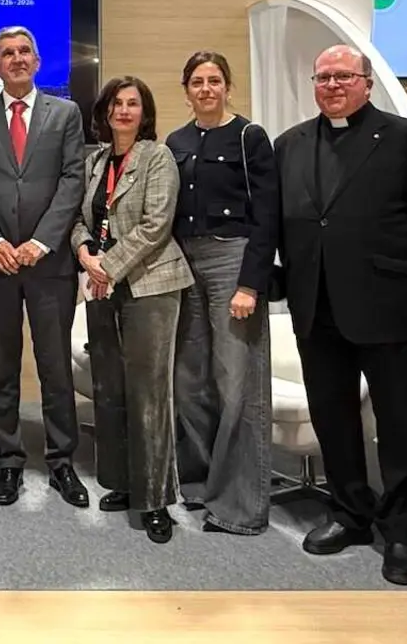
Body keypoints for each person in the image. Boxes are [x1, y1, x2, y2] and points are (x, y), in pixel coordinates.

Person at [273, 44, 407, 585]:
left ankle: (401, 529)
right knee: (333, 419)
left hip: (386, 305)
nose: (333, 85)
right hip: (316, 306)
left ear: (367, 82)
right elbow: (282, 224)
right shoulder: (290, 144)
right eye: (323, 77)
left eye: (343, 76)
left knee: (399, 423)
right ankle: (350, 512)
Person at [0, 25, 89, 508]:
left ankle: (61, 461)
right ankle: (9, 460)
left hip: (48, 263)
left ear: (37, 61)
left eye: (24, 51)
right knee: (3, 366)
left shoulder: (66, 113)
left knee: (55, 366)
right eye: (7, 53)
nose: (16, 58)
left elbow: (73, 180)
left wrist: (41, 241)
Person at [70, 76, 192, 542]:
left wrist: (107, 267)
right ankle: (123, 482)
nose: (123, 111)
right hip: (102, 284)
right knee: (111, 388)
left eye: (132, 104)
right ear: (105, 112)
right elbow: (80, 219)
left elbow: (156, 225)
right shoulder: (95, 161)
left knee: (149, 394)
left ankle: (155, 498)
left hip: (150, 284)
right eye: (116, 103)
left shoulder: (158, 157)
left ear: (144, 113)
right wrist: (85, 253)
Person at [165, 51, 277, 536]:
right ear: (186, 90)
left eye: (214, 80)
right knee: (189, 379)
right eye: (197, 81)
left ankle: (240, 506)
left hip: (233, 259)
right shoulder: (176, 141)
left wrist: (251, 283)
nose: (206, 89)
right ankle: (201, 481)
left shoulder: (249, 137)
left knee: (237, 381)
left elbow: (267, 215)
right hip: (185, 261)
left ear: (228, 87)